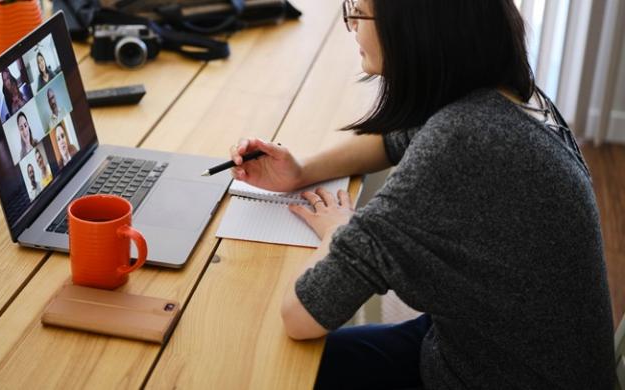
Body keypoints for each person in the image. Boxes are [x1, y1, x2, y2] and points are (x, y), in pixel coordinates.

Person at [229, 0, 614, 388]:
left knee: (265, 364)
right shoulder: (509, 97)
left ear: (414, 27)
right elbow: (395, 140)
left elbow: (301, 315)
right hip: (478, 345)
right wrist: (301, 171)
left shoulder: (462, 144)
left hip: (490, 375)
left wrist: (338, 229)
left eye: (358, 11)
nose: (352, 25)